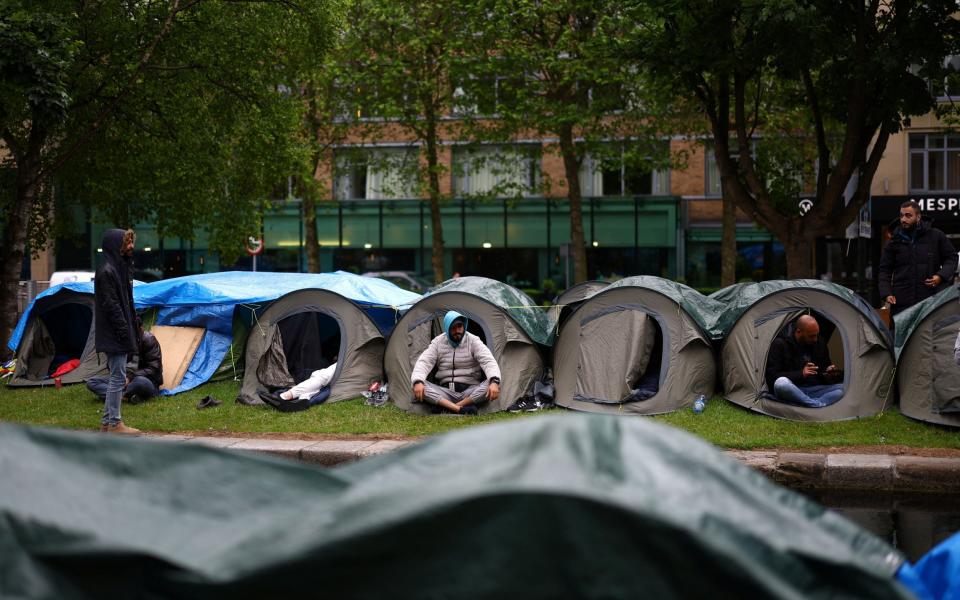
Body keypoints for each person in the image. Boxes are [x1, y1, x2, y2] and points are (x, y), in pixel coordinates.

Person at [94, 228, 140, 434]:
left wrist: (134, 322)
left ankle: (106, 423)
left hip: (119, 331)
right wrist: (124, 331)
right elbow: (111, 306)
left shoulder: (118, 268)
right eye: (126, 243)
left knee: (116, 375)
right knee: (118, 377)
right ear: (115, 245)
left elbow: (125, 301)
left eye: (131, 242)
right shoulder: (107, 271)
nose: (131, 247)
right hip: (114, 333)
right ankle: (114, 423)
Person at [411, 311, 500, 415]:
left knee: (493, 383)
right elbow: (424, 362)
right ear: (447, 328)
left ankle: (449, 407)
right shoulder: (438, 342)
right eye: (453, 327)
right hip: (445, 392)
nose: (457, 330)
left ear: (464, 326)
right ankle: (460, 409)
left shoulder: (473, 341)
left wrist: (494, 382)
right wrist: (418, 382)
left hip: (469, 392)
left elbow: (488, 361)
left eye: (460, 326)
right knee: (417, 383)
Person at [878, 200, 957, 316]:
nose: (903, 219)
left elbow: (952, 258)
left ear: (918, 217)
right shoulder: (893, 241)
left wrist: (940, 276)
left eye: (908, 215)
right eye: (901, 215)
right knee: (902, 334)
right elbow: (884, 270)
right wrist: (886, 293)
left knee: (925, 334)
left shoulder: (935, 236)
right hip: (901, 303)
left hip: (928, 301)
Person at [765, 314, 844, 408]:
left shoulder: (819, 342)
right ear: (799, 332)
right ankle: (817, 405)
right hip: (792, 389)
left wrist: (828, 373)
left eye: (816, 335)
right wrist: (801, 373)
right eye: (811, 336)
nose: (815, 339)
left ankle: (808, 403)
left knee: (844, 388)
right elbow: (772, 377)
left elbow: (823, 368)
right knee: (781, 383)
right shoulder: (780, 344)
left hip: (814, 389)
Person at [86, 323, 162, 404]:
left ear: (141, 329)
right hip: (123, 379)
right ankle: (125, 396)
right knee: (92, 382)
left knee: (141, 382)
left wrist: (129, 377)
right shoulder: (123, 341)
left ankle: (117, 394)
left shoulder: (149, 340)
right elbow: (112, 367)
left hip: (145, 380)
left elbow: (153, 368)